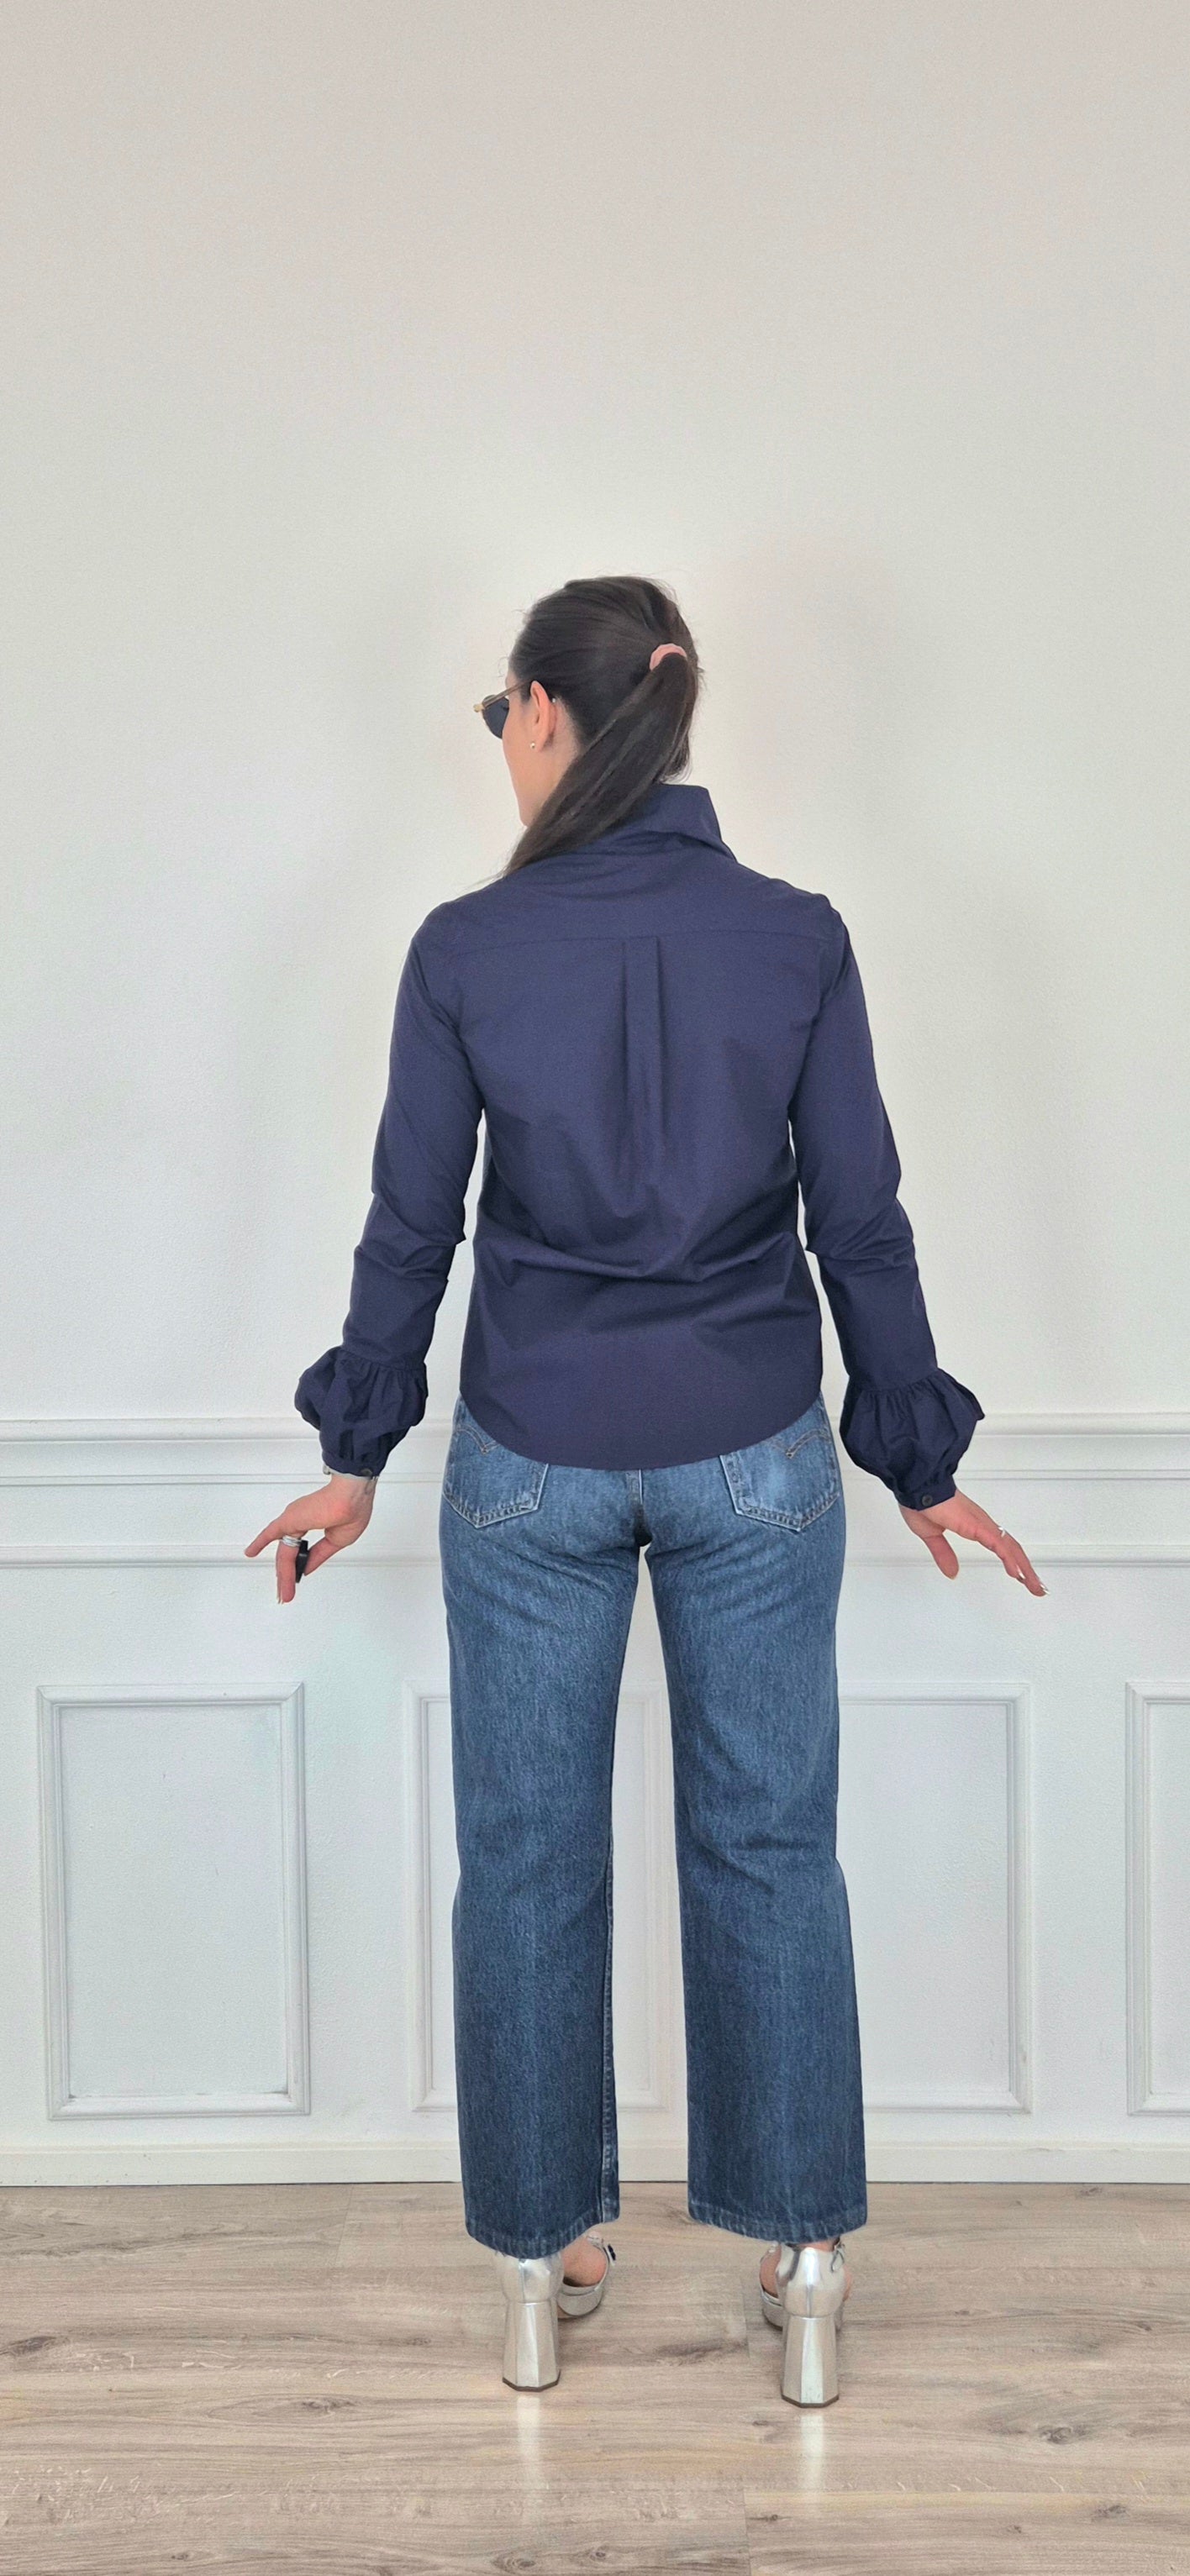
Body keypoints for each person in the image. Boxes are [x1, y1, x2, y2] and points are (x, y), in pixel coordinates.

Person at [245, 574, 1045, 2404]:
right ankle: (808, 2266)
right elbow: (862, 1218)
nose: (500, 749)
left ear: (547, 711)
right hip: (755, 1452)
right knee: (771, 1845)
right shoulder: (798, 937)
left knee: (526, 1854)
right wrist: (918, 1461)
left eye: (501, 718)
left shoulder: (465, 947)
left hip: (530, 1457)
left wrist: (353, 1456)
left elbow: (410, 1225)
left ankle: (543, 2262)